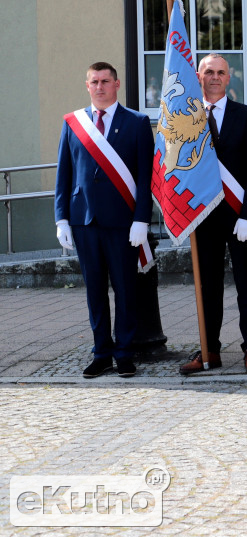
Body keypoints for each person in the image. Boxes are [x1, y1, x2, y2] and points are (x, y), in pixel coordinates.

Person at [55, 62, 154, 378]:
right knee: (94, 291)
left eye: (105, 81)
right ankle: (102, 352)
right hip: (84, 221)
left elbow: (145, 176)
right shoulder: (74, 123)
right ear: (87, 86)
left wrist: (142, 219)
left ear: (117, 84)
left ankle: (124, 353)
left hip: (123, 222)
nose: (100, 87)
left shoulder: (137, 122)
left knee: (125, 290)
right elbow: (64, 175)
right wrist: (61, 219)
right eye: (94, 82)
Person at [179, 54, 247, 375]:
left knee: (246, 284)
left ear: (229, 79)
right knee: (208, 287)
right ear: (198, 77)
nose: (215, 77)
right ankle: (209, 350)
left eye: (221, 72)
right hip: (201, 216)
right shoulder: (186, 116)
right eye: (208, 72)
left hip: (237, 214)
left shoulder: (246, 115)